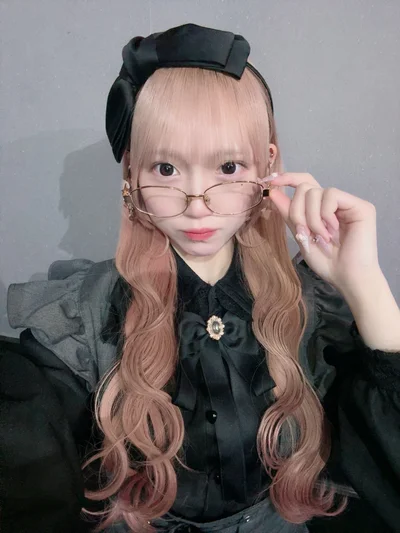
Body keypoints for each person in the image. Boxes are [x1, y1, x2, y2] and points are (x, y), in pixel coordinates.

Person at [1, 23, 399, 533]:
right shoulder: (83, 315)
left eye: (228, 167)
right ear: (131, 177)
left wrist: (364, 283)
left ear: (267, 166)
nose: (196, 204)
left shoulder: (313, 309)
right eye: (165, 170)